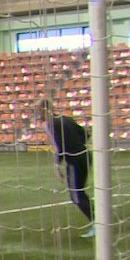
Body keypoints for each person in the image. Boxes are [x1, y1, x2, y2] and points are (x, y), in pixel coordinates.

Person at [36, 98, 94, 237]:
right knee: (79, 192)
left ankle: (97, 223)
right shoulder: (66, 119)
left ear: (43, 110)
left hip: (74, 160)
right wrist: (77, 145)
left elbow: (60, 145)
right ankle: (98, 220)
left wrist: (57, 165)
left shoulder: (51, 124)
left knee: (76, 195)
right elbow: (86, 134)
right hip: (85, 156)